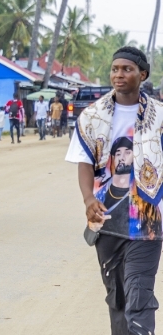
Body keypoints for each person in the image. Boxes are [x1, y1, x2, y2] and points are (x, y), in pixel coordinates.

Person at [65, 46, 163, 334]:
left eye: (127, 69)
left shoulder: (159, 116)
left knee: (139, 292)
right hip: (106, 220)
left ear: (142, 74)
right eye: (115, 69)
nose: (119, 75)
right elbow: (84, 162)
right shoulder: (93, 115)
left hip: (148, 221)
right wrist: (87, 199)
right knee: (117, 297)